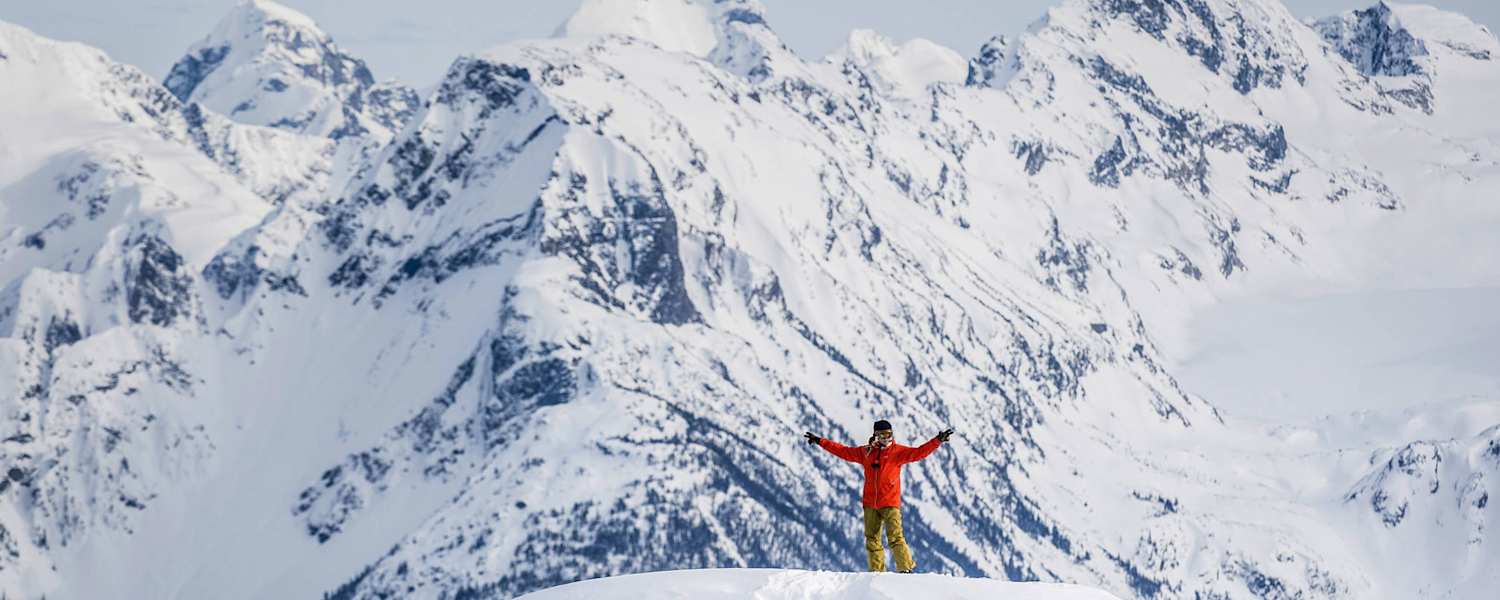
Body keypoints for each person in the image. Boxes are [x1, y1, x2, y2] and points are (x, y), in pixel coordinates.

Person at [804, 420, 954, 573]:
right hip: (870, 504)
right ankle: (877, 572)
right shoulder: (866, 452)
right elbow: (843, 451)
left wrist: (937, 440)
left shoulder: (898, 452)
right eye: (882, 435)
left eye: (889, 434)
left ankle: (906, 569)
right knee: (872, 539)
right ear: (875, 435)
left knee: (895, 537)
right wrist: (820, 441)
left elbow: (919, 452)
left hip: (890, 503)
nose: (886, 438)